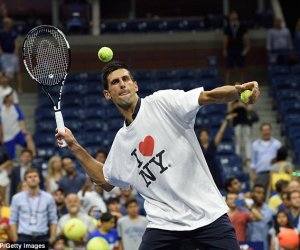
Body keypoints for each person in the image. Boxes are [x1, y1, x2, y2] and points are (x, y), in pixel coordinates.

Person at [56, 61, 260, 250]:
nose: (122, 84)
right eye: (115, 82)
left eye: (126, 79)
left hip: (208, 215)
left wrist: (237, 90)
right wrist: (74, 146)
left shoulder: (162, 103)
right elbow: (105, 180)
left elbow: (208, 96)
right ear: (108, 94)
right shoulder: (121, 142)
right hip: (165, 225)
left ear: (135, 85)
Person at [9, 168, 57, 244]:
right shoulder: (17, 198)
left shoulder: (48, 198)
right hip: (24, 237)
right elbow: (13, 220)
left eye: (35, 176)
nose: (33, 179)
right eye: (30, 177)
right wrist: (16, 240)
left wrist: (52, 238)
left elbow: (53, 219)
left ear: (39, 179)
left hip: (42, 237)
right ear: (25, 181)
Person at [198, 113, 236, 190]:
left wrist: (226, 121)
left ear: (208, 136)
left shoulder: (212, 145)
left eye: (206, 135)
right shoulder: (197, 147)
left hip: (214, 169)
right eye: (202, 135)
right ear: (199, 137)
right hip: (202, 170)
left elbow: (220, 133)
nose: (204, 136)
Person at [0, 88, 36, 159]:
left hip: (17, 133)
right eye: (11, 96)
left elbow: (21, 120)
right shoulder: (1, 110)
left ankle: (33, 157)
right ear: (6, 98)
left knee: (28, 139)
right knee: (10, 157)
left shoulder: (16, 108)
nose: (13, 98)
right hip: (7, 136)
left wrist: (25, 131)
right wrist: (1, 137)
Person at [250, 123, 282, 191]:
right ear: (261, 131)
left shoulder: (277, 144)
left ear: (271, 131)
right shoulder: (255, 145)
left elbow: (281, 160)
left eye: (268, 130)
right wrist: (253, 174)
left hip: (275, 174)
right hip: (261, 174)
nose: (266, 132)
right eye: (264, 130)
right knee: (261, 194)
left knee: (274, 193)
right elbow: (253, 161)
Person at [223, 11, 249, 84]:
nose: (234, 17)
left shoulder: (242, 26)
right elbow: (226, 38)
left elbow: (245, 37)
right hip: (230, 49)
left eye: (235, 15)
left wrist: (246, 47)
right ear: (230, 17)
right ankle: (227, 84)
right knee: (228, 67)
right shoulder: (227, 27)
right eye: (232, 15)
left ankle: (242, 83)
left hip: (240, 49)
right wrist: (224, 49)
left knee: (241, 67)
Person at [247, 184, 275, 250]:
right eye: (258, 193)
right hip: (247, 245)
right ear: (252, 194)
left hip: (264, 246)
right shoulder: (244, 209)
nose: (261, 195)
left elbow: (274, 232)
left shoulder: (270, 211)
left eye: (263, 193)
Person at [0, 17, 22, 92]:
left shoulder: (14, 32)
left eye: (10, 22)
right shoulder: (1, 32)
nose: (10, 24)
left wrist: (16, 50)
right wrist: (1, 52)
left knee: (17, 72)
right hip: (4, 55)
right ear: (5, 24)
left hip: (13, 55)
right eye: (8, 23)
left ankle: (19, 88)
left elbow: (17, 41)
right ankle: (6, 88)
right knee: (5, 72)